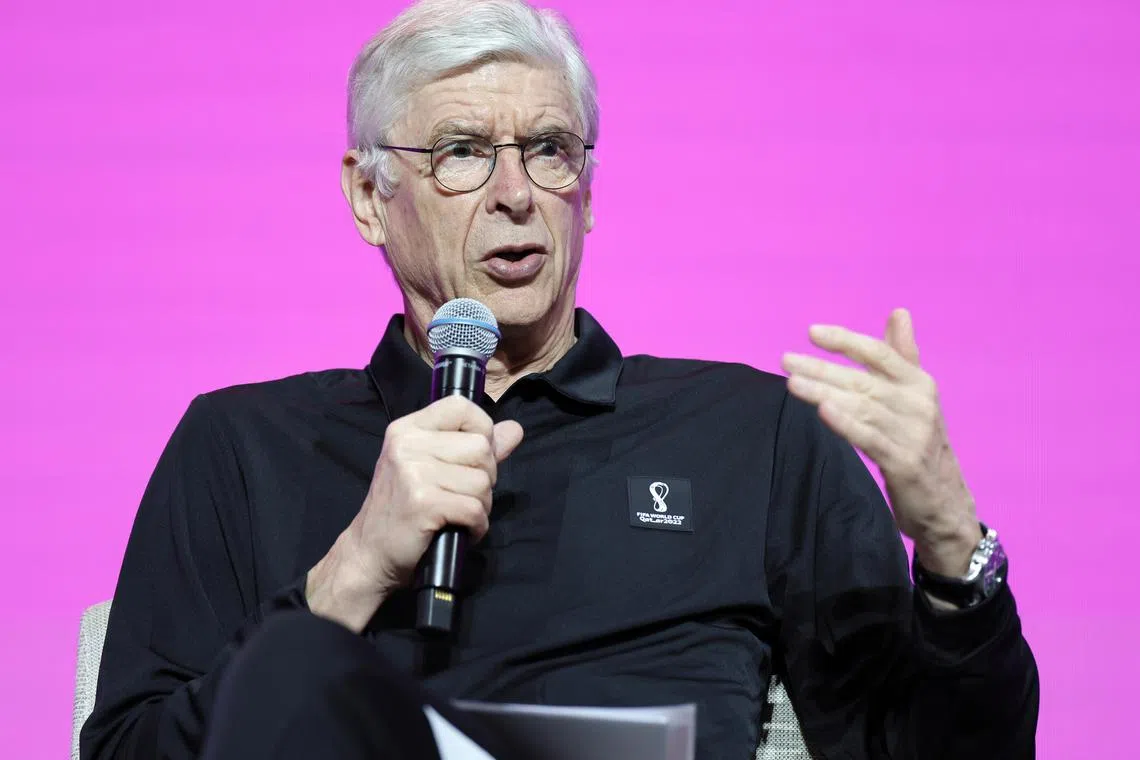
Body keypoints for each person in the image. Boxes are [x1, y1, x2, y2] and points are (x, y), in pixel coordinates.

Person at [80, 0, 1039, 758]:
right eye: (461, 152)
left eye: (549, 149)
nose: (516, 194)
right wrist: (358, 565)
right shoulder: (242, 446)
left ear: (588, 189)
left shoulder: (757, 436)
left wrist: (953, 548)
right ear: (370, 196)